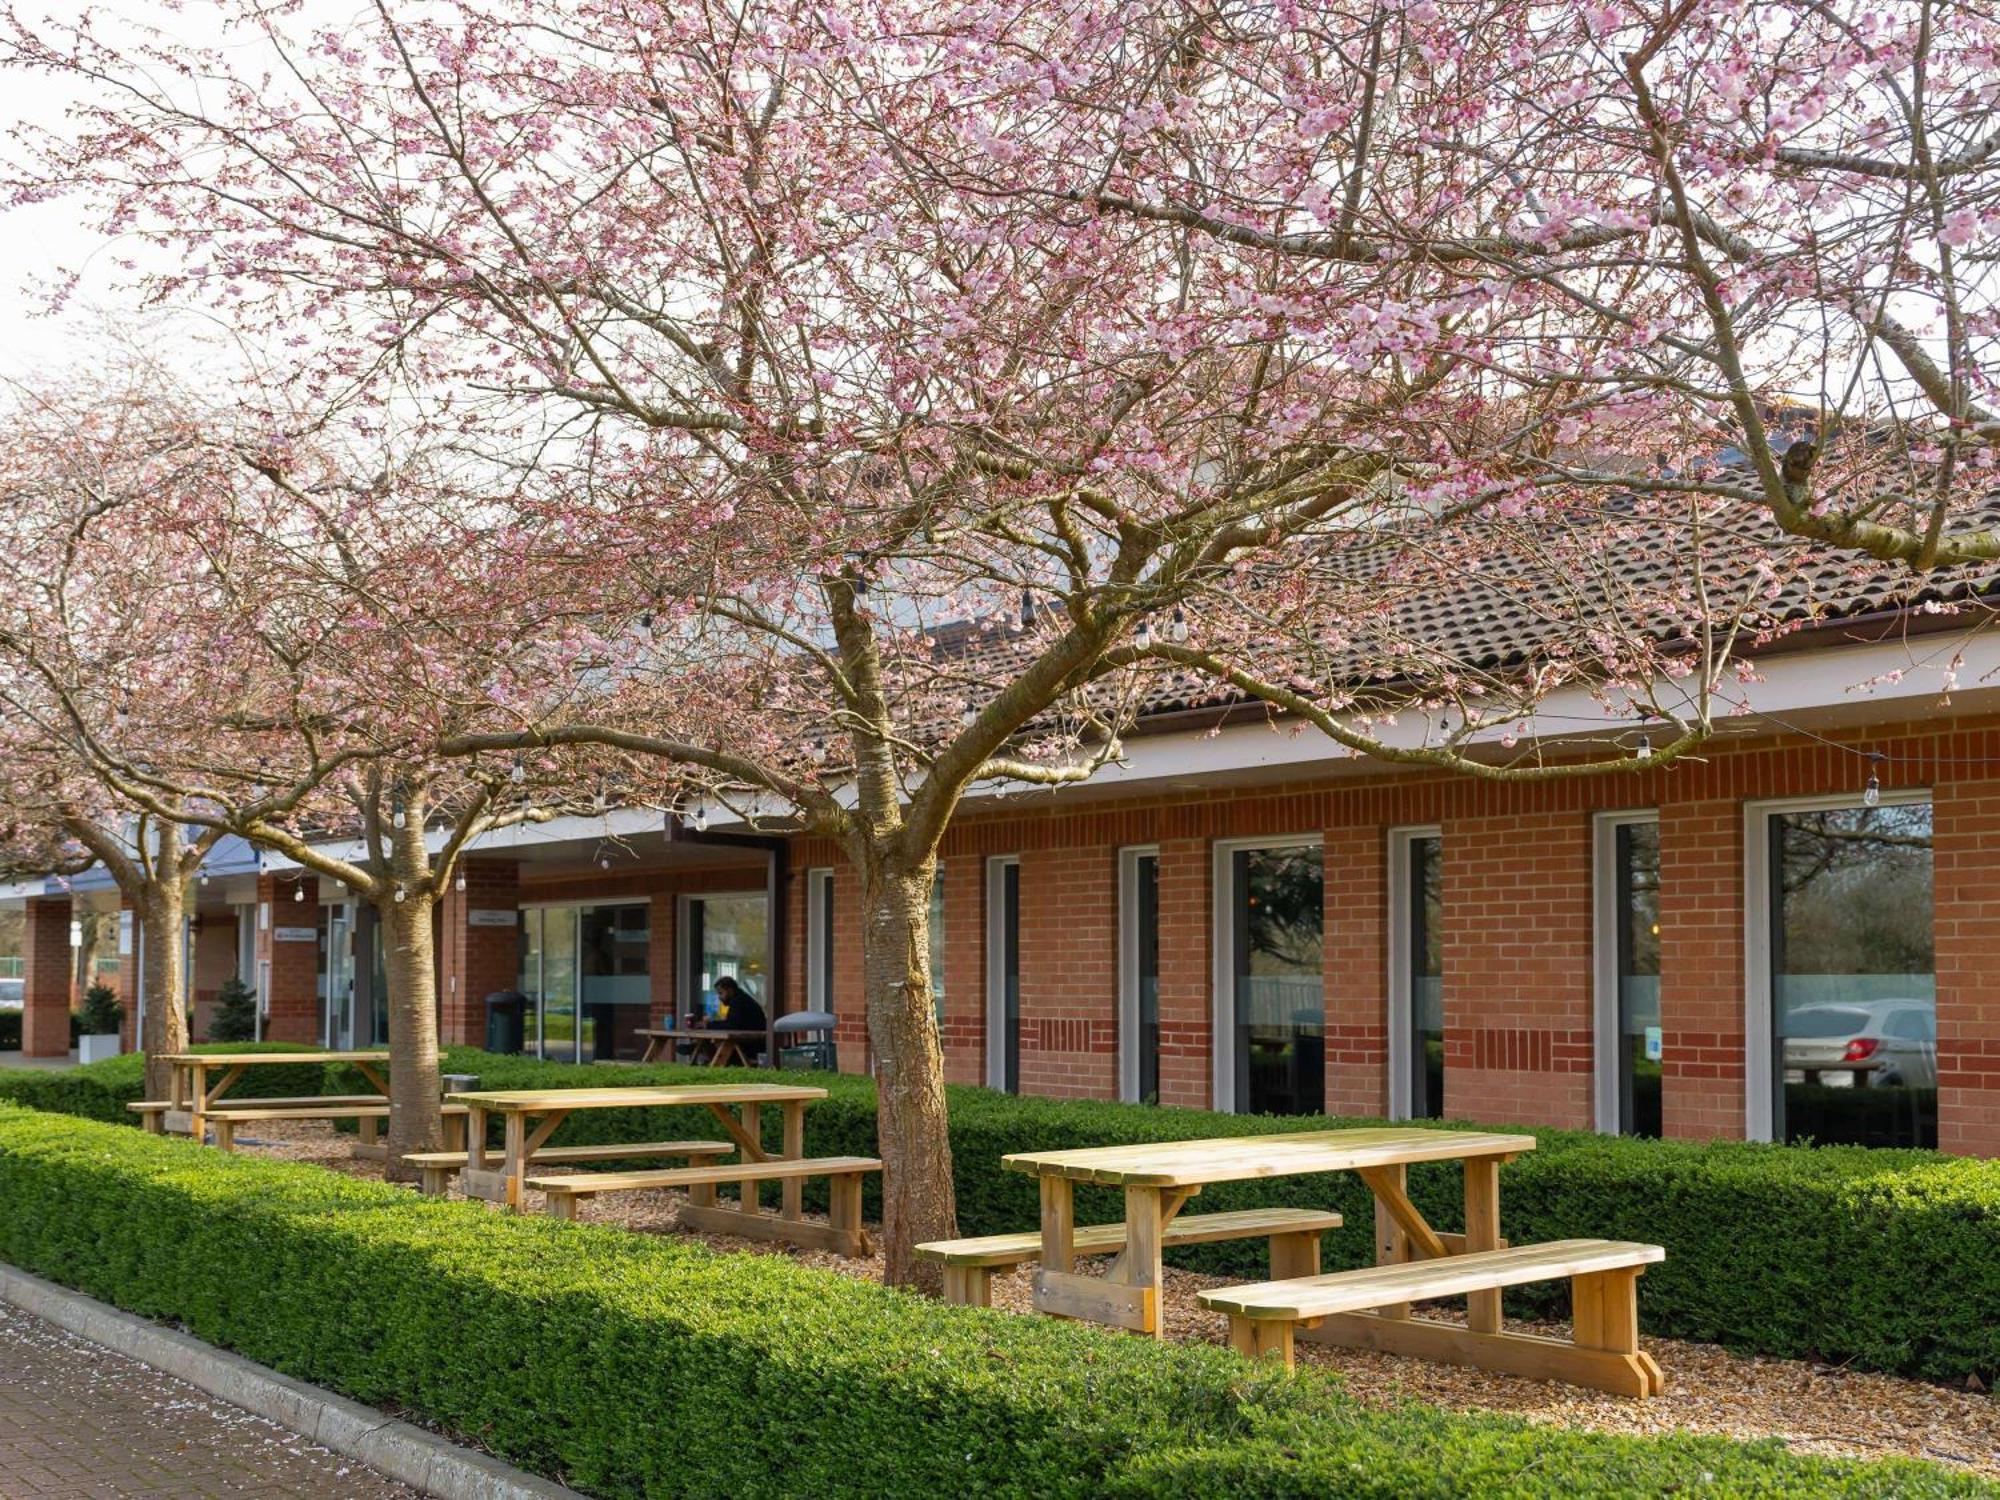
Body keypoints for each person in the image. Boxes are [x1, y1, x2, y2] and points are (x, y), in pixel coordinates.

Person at [713, 975, 767, 1061]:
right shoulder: (741, 999)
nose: (719, 997)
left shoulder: (738, 1002)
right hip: (754, 1043)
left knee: (711, 1045)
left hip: (751, 1046)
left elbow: (731, 1026)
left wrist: (709, 1024)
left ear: (730, 990)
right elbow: (732, 1023)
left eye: (721, 993)